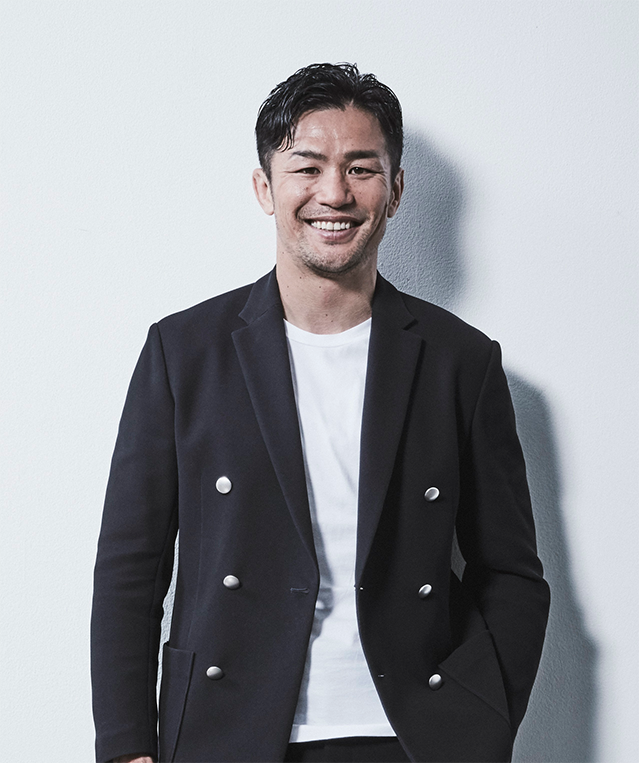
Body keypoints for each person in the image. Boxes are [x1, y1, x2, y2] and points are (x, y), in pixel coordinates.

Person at [91, 63, 550, 763]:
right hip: (228, 730)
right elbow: (130, 567)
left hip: (411, 736)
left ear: (395, 190)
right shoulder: (184, 353)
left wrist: (483, 719)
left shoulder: (460, 360)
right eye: (307, 168)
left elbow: (511, 570)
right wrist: (127, 747)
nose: (334, 193)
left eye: (361, 168)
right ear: (264, 188)